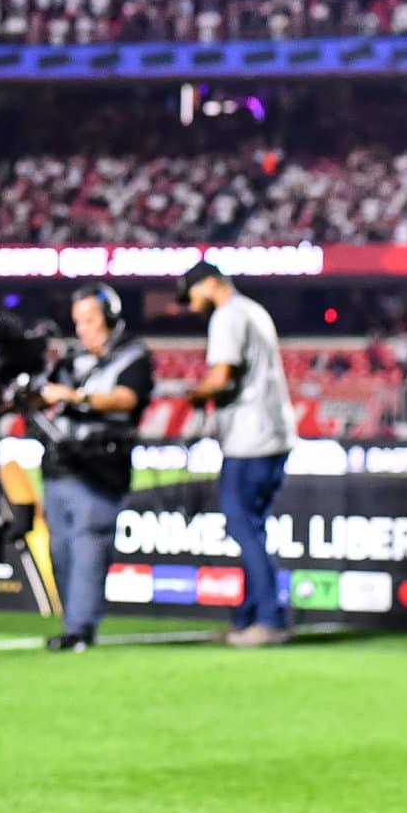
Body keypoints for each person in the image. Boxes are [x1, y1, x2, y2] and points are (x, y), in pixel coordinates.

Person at [176, 261, 296, 647]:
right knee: (251, 528)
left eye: (192, 295)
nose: (191, 305)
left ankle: (269, 620)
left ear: (209, 283)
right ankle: (248, 618)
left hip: (251, 439)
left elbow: (221, 376)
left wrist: (194, 394)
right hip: (272, 434)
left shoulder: (227, 315)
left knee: (243, 527)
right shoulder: (252, 309)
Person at [35, 284, 152, 652]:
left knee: (88, 548)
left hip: (99, 469)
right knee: (61, 550)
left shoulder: (132, 357)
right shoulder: (71, 361)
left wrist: (74, 396)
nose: (82, 329)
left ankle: (79, 628)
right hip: (60, 467)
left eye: (89, 320)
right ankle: (73, 621)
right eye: (77, 321)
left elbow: (126, 398)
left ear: (111, 318)